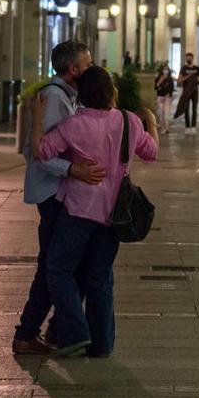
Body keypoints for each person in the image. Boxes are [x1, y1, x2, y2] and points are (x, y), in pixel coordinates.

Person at [32, 67, 158, 357]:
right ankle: (101, 344)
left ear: (83, 95)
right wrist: (150, 122)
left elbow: (42, 151)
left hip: (78, 211)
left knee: (58, 268)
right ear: (111, 91)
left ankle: (75, 333)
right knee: (100, 277)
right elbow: (151, 152)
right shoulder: (129, 121)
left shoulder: (74, 125)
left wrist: (37, 118)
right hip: (114, 214)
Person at [12, 41, 107, 356]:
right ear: (73, 69)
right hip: (52, 192)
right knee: (53, 265)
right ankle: (29, 332)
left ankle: (54, 329)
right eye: (87, 63)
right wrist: (73, 169)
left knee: (60, 264)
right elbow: (38, 153)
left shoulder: (67, 96)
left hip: (61, 190)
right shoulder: (54, 99)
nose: (91, 67)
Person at [173, 53, 199, 134]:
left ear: (192, 58)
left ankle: (193, 127)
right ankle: (187, 127)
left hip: (195, 91)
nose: (189, 59)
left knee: (194, 109)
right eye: (187, 58)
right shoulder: (184, 68)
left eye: (190, 58)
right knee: (186, 109)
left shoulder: (197, 68)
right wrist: (188, 76)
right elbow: (179, 80)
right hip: (186, 92)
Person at [154, 65, 175, 134]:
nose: (165, 71)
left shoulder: (170, 79)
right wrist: (160, 80)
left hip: (167, 98)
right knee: (160, 113)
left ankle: (167, 127)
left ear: (168, 71)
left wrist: (167, 96)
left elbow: (171, 89)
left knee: (166, 113)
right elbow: (155, 87)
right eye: (164, 69)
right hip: (160, 97)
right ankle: (162, 128)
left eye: (167, 69)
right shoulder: (158, 78)